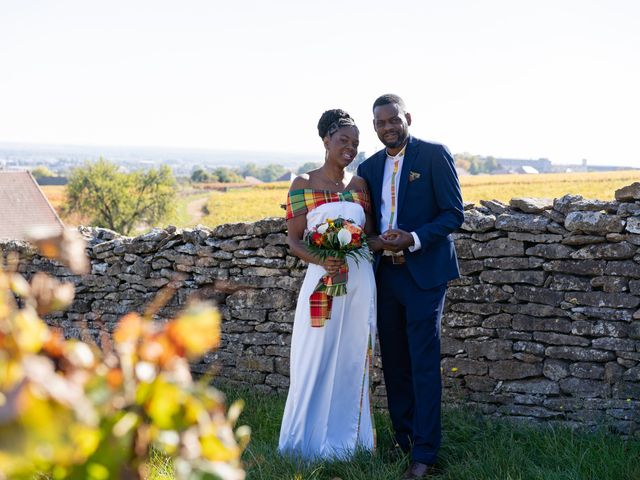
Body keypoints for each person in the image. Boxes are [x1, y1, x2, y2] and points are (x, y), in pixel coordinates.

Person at [357, 94, 464, 479]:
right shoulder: (368, 168)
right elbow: (366, 226)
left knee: (422, 362)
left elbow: (454, 214)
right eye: (381, 122)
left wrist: (414, 237)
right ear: (374, 127)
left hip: (425, 275)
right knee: (395, 363)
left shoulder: (434, 155)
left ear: (408, 118)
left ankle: (425, 454)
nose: (388, 127)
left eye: (394, 120)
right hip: (385, 277)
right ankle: (402, 442)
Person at [278, 109, 379, 460]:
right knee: (314, 354)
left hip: (359, 281)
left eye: (355, 142)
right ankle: (303, 443)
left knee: (354, 356)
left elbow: (367, 237)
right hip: (321, 281)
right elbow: (294, 240)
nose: (350, 148)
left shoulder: (360, 186)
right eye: (343, 141)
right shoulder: (302, 184)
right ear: (325, 140)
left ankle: (351, 442)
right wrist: (324, 259)